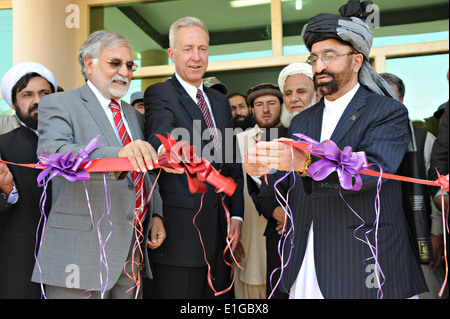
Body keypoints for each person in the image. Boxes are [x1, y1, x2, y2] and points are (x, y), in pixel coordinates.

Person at [243, 0, 427, 298]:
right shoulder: (303, 119)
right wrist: (261, 172)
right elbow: (295, 184)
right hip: (307, 257)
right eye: (314, 58)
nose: (319, 66)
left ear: (356, 61)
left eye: (329, 56)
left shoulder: (386, 111)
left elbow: (371, 171)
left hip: (365, 260)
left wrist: (304, 164)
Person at [31, 30, 166, 299]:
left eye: (129, 65)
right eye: (115, 63)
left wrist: (156, 213)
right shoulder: (58, 103)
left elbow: (144, 167)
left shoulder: (131, 114)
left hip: (130, 249)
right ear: (88, 64)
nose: (125, 72)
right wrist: (119, 153)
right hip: (78, 253)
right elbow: (54, 152)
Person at [143, 16, 244, 299]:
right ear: (172, 54)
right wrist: (169, 149)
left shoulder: (219, 101)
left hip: (222, 235)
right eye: (188, 49)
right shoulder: (161, 94)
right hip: (180, 236)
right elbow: (162, 138)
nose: (197, 57)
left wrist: (237, 215)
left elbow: (232, 164)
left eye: (203, 49)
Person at [381, 72, 447, 299]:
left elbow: (435, 185)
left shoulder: (422, 138)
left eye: (388, 96)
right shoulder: (364, 140)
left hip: (419, 235)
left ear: (401, 102)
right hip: (380, 240)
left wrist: (436, 234)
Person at [0, 62, 57, 298]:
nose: (38, 101)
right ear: (13, 103)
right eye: (27, 94)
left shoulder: (79, 144)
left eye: (45, 93)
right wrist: (7, 192)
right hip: (20, 265)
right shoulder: (3, 146)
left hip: (74, 260)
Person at [234, 83, 289, 299]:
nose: (265, 109)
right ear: (251, 110)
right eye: (259, 104)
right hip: (250, 233)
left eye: (272, 103)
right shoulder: (238, 141)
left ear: (282, 106)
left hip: (286, 232)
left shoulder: (294, 136)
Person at [278, 62, 318, 128]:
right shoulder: (271, 135)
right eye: (288, 94)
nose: (293, 99)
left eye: (301, 92)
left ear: (317, 96)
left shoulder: (329, 130)